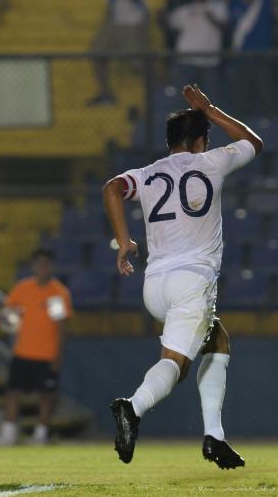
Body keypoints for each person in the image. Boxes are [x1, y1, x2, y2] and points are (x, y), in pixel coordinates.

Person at [103, 84, 262, 469]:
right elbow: (253, 142)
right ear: (200, 141)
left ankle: (215, 437)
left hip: (154, 284)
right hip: (192, 280)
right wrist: (211, 110)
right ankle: (133, 407)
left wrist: (124, 242)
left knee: (216, 339)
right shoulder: (211, 163)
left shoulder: (147, 173)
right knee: (176, 363)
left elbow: (111, 189)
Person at [0, 247, 73, 446]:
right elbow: (5, 313)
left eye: (46, 264)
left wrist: (57, 355)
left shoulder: (57, 293)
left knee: (46, 396)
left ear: (51, 267)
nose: (42, 268)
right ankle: (8, 433)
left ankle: (40, 434)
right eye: (39, 264)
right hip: (23, 352)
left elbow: (61, 326)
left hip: (46, 354)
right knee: (12, 392)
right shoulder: (23, 288)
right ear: (34, 266)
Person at [51, 0, 150, 106]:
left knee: (137, 63)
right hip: (114, 21)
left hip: (133, 21)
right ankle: (106, 94)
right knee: (96, 51)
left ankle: (154, 93)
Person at [166, 0, 227, 93]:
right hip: (186, 61)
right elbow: (169, 22)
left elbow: (224, 28)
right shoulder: (186, 9)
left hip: (209, 62)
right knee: (184, 100)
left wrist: (211, 17)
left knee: (210, 101)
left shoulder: (217, 7)